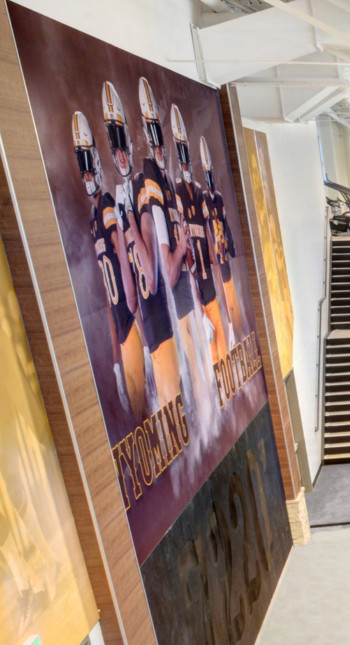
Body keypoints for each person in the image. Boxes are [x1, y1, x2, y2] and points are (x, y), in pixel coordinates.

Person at [104, 80, 178, 412]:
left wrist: (130, 220)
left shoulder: (142, 188)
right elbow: (132, 298)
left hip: (162, 331)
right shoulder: (126, 196)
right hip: (153, 338)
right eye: (114, 147)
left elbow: (151, 277)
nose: (121, 154)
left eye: (123, 146)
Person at [74, 110, 146, 421]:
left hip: (133, 325)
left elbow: (125, 264)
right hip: (122, 330)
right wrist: (115, 361)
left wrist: (144, 336)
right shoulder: (93, 221)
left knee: (148, 415)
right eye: (84, 172)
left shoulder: (105, 208)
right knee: (140, 418)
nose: (89, 178)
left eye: (91, 171)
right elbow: (107, 296)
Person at [169, 105, 226, 366]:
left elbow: (210, 246)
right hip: (197, 292)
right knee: (207, 359)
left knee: (222, 349)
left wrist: (217, 272)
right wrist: (197, 303)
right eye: (179, 156)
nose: (184, 162)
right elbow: (187, 252)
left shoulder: (200, 194)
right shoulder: (178, 193)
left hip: (209, 284)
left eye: (185, 155)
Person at [200, 136, 241, 343]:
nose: (209, 178)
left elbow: (225, 225)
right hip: (216, 262)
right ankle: (231, 330)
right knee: (225, 307)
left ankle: (236, 329)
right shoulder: (205, 200)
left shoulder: (218, 197)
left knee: (235, 309)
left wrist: (232, 248)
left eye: (210, 173)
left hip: (224, 259)